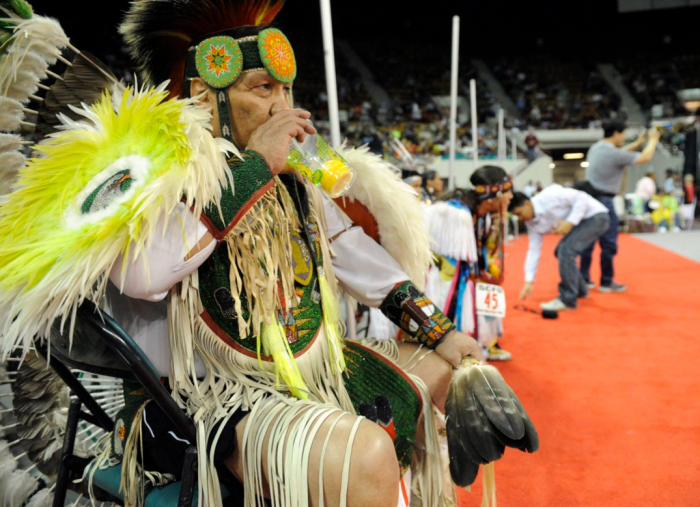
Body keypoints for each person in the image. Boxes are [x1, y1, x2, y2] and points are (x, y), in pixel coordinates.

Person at [424, 166, 514, 360]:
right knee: (456, 296)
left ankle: (485, 343)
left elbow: (486, 251)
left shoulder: (483, 216)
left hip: (466, 276)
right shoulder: (455, 214)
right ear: (495, 195)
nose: (511, 197)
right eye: (507, 193)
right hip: (446, 278)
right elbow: (450, 265)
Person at [580, 121, 660, 292]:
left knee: (587, 241)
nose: (623, 138)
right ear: (616, 133)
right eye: (622, 134)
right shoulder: (613, 154)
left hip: (588, 200)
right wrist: (653, 140)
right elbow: (644, 157)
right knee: (608, 243)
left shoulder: (596, 149)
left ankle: (584, 279)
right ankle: (606, 282)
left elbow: (619, 154)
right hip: (604, 201)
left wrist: (638, 142)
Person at [509, 187, 609, 311]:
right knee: (560, 251)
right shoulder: (531, 224)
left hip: (596, 216)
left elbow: (581, 196)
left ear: (527, 203)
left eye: (519, 213)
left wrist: (570, 222)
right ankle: (581, 290)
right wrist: (528, 281)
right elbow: (533, 251)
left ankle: (567, 300)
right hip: (581, 223)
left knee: (566, 251)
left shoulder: (549, 195)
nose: (520, 218)